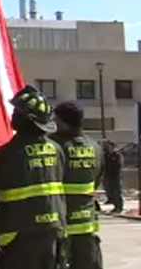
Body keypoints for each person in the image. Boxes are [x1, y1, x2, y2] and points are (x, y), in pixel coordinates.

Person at [0, 85, 67, 269]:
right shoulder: (56, 150)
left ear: (26, 120)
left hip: (18, 235)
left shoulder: (6, 155)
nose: (12, 116)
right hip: (53, 229)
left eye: (17, 112)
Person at [52, 102, 103, 269]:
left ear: (63, 121)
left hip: (59, 220)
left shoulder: (53, 145)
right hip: (86, 221)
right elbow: (97, 179)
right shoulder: (95, 146)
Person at [102, 141, 124, 214]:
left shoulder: (117, 155)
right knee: (110, 191)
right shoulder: (106, 155)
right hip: (107, 175)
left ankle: (119, 207)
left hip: (115, 176)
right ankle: (113, 203)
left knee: (117, 192)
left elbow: (118, 165)